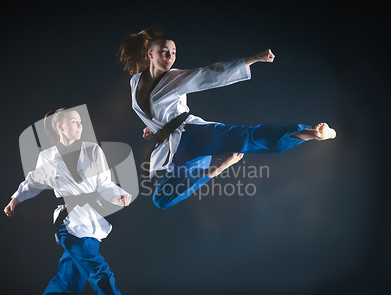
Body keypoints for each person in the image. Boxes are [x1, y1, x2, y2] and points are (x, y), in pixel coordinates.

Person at [119, 29, 336, 209]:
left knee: (243, 138)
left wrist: (252, 59)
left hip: (193, 133)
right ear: (150, 54)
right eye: (164, 52)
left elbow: (209, 74)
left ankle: (308, 133)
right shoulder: (135, 82)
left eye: (173, 53)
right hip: (174, 150)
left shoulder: (172, 78)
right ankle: (219, 168)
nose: (170, 57)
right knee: (161, 199)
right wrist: (154, 130)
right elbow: (151, 111)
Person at [4, 108, 140, 295]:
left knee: (70, 283)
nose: (80, 126)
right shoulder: (47, 157)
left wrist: (119, 195)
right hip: (69, 223)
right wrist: (15, 200)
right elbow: (33, 182)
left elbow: (104, 185)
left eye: (80, 122)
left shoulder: (93, 151)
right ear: (60, 127)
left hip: (91, 221)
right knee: (99, 271)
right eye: (74, 122)